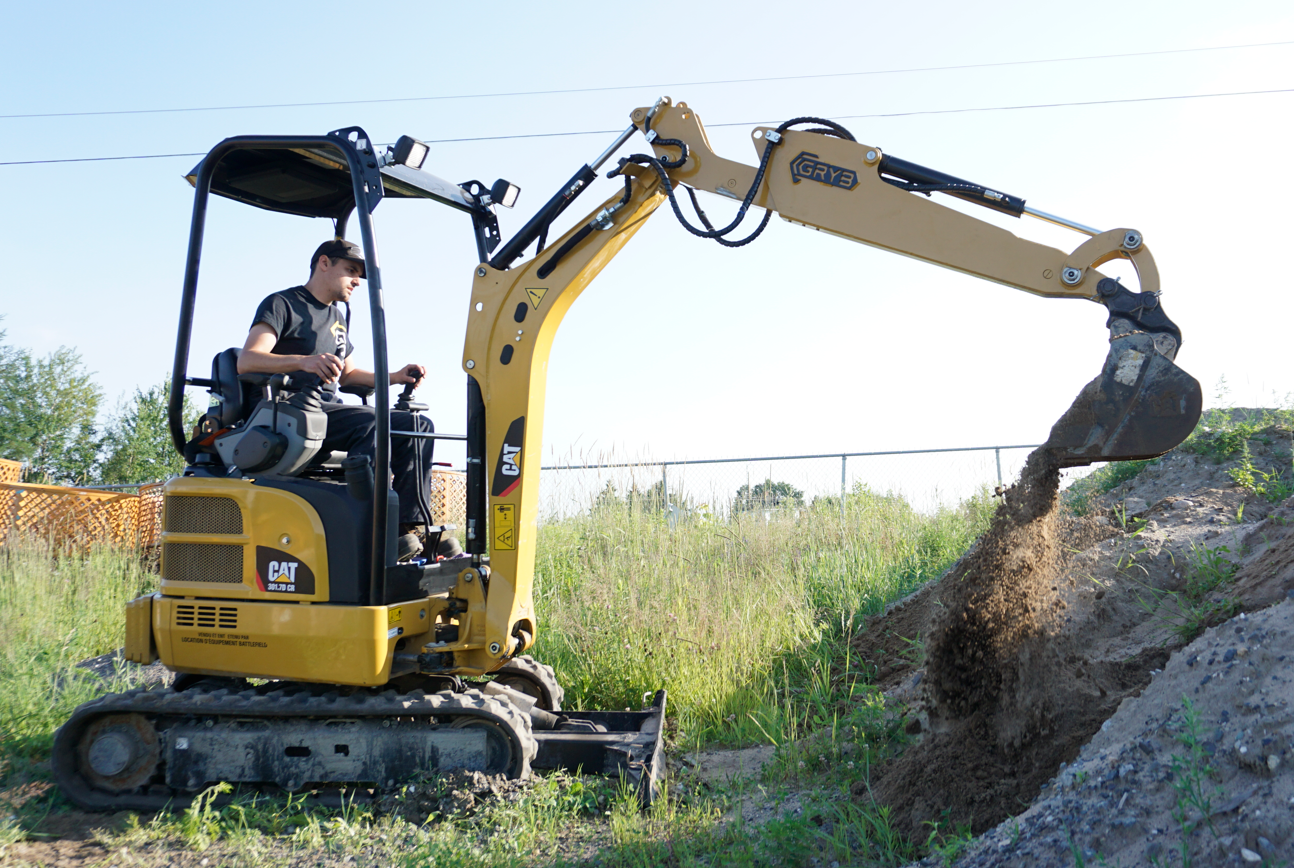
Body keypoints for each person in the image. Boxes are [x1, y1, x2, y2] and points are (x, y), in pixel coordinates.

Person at [238, 238, 434, 558]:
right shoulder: (282, 304)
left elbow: (348, 376)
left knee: (417, 425)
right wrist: (303, 361)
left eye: (359, 274)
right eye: (351, 270)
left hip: (325, 409)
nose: (357, 280)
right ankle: (372, 530)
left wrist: (396, 376)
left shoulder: (337, 319)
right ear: (324, 263)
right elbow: (248, 360)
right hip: (286, 410)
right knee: (372, 423)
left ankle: (409, 530)